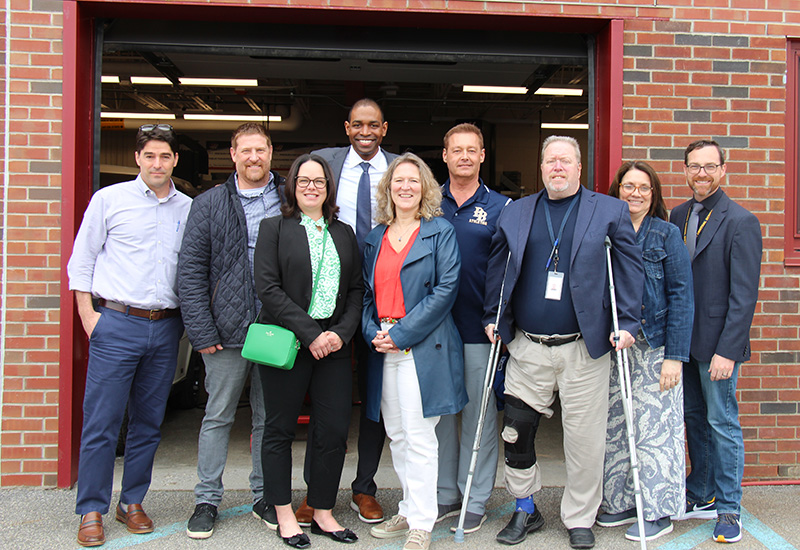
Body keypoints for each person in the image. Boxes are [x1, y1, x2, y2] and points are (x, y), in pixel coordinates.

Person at [483, 136, 644, 550]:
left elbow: (628, 270)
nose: (557, 167)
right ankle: (525, 508)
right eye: (550, 161)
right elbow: (498, 270)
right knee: (515, 432)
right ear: (541, 168)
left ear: (578, 167)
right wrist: (493, 318)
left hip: (584, 348)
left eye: (565, 161)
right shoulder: (516, 212)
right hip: (527, 346)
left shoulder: (609, 210)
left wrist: (626, 321)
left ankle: (579, 517)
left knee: (584, 439)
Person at [67, 124, 192, 547]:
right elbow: (80, 264)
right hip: (116, 323)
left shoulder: (188, 209)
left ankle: (132, 502)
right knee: (102, 421)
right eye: (150, 156)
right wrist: (89, 317)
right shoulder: (109, 200)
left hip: (166, 327)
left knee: (148, 423)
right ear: (139, 158)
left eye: (165, 156)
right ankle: (91, 509)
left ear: (175, 160)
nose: (157, 163)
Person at [178, 123, 284, 539]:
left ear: (271, 152)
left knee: (268, 419)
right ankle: (206, 500)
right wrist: (201, 331)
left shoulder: (288, 200)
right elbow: (190, 272)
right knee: (217, 416)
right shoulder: (208, 204)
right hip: (224, 331)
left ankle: (264, 495)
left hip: (274, 329)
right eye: (247, 150)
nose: (254, 157)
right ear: (233, 154)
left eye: (261, 149)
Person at [295, 98, 398, 526]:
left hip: (381, 296)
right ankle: (317, 493)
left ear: (385, 128)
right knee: (326, 403)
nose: (365, 132)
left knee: (374, 398)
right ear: (346, 127)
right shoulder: (324, 165)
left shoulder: (401, 171)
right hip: (330, 303)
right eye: (358, 125)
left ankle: (365, 488)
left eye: (373, 125)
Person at [254, 154, 364, 549]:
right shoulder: (273, 229)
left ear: (329, 187)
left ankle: (321, 510)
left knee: (333, 431)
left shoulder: (344, 233)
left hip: (333, 346)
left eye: (319, 181)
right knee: (280, 430)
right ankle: (284, 512)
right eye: (304, 181)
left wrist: (341, 333)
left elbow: (355, 291)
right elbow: (268, 289)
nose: (312, 187)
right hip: (289, 343)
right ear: (293, 185)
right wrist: (310, 333)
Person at [363, 153, 467, 550]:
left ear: (425, 188)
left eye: (413, 180)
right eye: (397, 181)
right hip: (384, 344)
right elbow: (367, 297)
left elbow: (445, 292)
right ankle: (408, 508)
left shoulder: (439, 232)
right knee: (398, 434)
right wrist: (373, 330)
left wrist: (402, 333)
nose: (405, 187)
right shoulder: (376, 236)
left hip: (422, 344)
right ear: (388, 189)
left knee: (421, 436)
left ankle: (423, 521)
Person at [669, 140, 762, 544]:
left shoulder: (741, 221)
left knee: (722, 425)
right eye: (694, 166)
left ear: (723, 170)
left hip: (718, 348)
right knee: (695, 421)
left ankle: (728, 509)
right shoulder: (678, 215)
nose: (701, 174)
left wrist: (728, 349)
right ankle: (701, 492)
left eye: (710, 166)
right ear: (685, 170)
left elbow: (744, 296)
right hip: (684, 345)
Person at [596, 161, 694, 542]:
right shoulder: (604, 232)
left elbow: (683, 297)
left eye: (643, 187)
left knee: (655, 430)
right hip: (613, 346)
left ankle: (658, 510)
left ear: (653, 195)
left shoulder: (667, 234)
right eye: (627, 186)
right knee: (616, 425)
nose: (634, 193)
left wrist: (676, 356)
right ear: (617, 190)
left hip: (655, 346)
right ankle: (620, 501)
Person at [435, 123, 510, 534]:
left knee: (478, 415)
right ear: (444, 156)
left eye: (472, 150)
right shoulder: (430, 203)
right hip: (435, 331)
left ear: (482, 156)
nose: (464, 156)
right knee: (442, 417)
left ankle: (475, 495)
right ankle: (446, 493)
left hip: (480, 330)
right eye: (456, 149)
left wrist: (500, 318)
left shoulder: (501, 207)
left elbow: (509, 270)